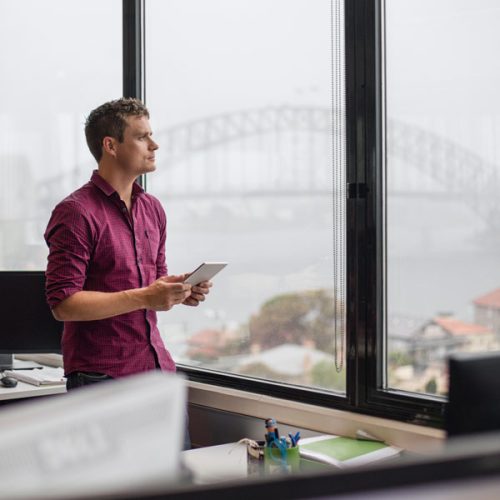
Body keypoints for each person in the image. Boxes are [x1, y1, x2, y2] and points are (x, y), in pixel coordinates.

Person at [44, 98, 211, 446]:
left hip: (157, 371)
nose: (155, 144)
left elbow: (153, 284)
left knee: (172, 485)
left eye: (152, 135)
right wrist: (146, 296)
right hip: (102, 379)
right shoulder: (76, 212)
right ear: (111, 145)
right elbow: (63, 303)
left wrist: (177, 291)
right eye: (142, 137)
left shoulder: (153, 209)